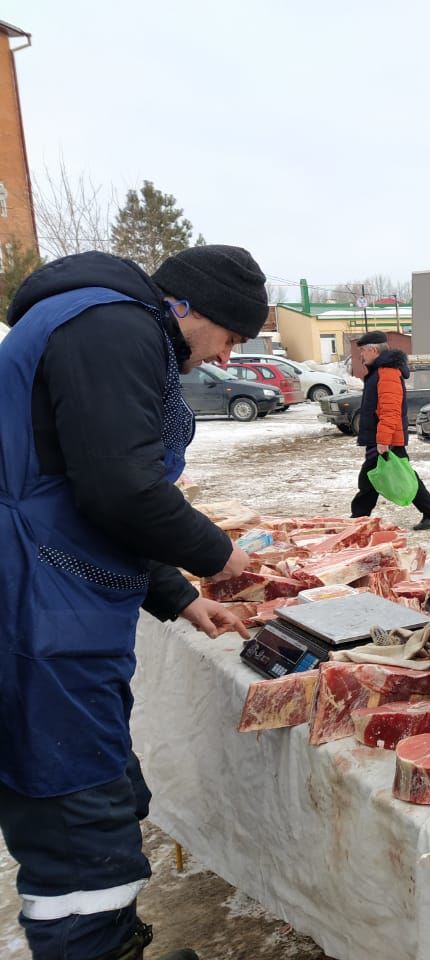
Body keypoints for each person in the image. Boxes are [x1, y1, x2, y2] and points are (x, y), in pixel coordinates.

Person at [0, 246, 271, 960]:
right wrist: (221, 556)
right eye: (232, 336)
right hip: (33, 607)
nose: (226, 353)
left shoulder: (105, 320)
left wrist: (181, 596)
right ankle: (92, 946)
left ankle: (111, 937)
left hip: (59, 590)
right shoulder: (113, 325)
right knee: (74, 808)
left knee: (105, 788)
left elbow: (88, 493)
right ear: (193, 309)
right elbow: (120, 489)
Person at [349, 330, 430, 529]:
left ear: (373, 349)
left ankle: (359, 517)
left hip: (385, 438)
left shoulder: (387, 372)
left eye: (362, 352)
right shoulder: (380, 371)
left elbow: (390, 410)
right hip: (383, 437)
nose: (361, 356)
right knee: (383, 475)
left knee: (373, 476)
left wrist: (383, 440)